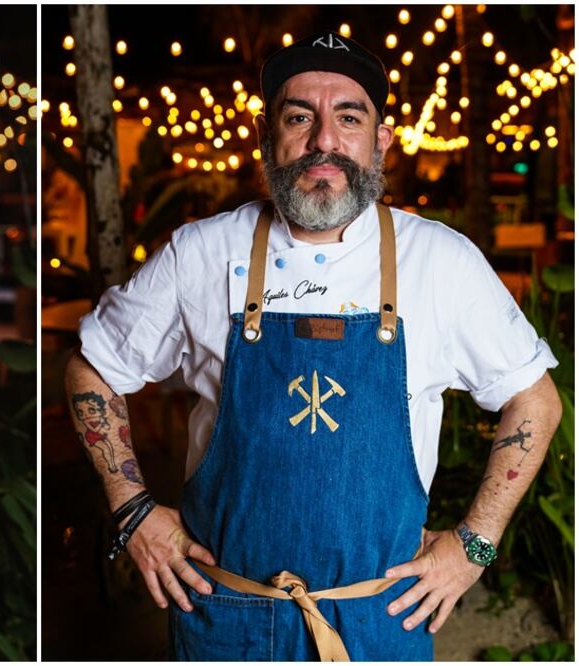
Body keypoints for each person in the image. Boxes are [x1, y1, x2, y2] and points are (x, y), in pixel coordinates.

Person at [64, 31, 561, 661]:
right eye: (300, 116)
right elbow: (93, 367)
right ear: (268, 136)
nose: (324, 139)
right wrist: (132, 509)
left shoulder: (441, 261)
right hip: (224, 616)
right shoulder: (202, 251)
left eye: (348, 117)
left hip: (381, 620)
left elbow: (534, 400)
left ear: (381, 140)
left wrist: (475, 545)